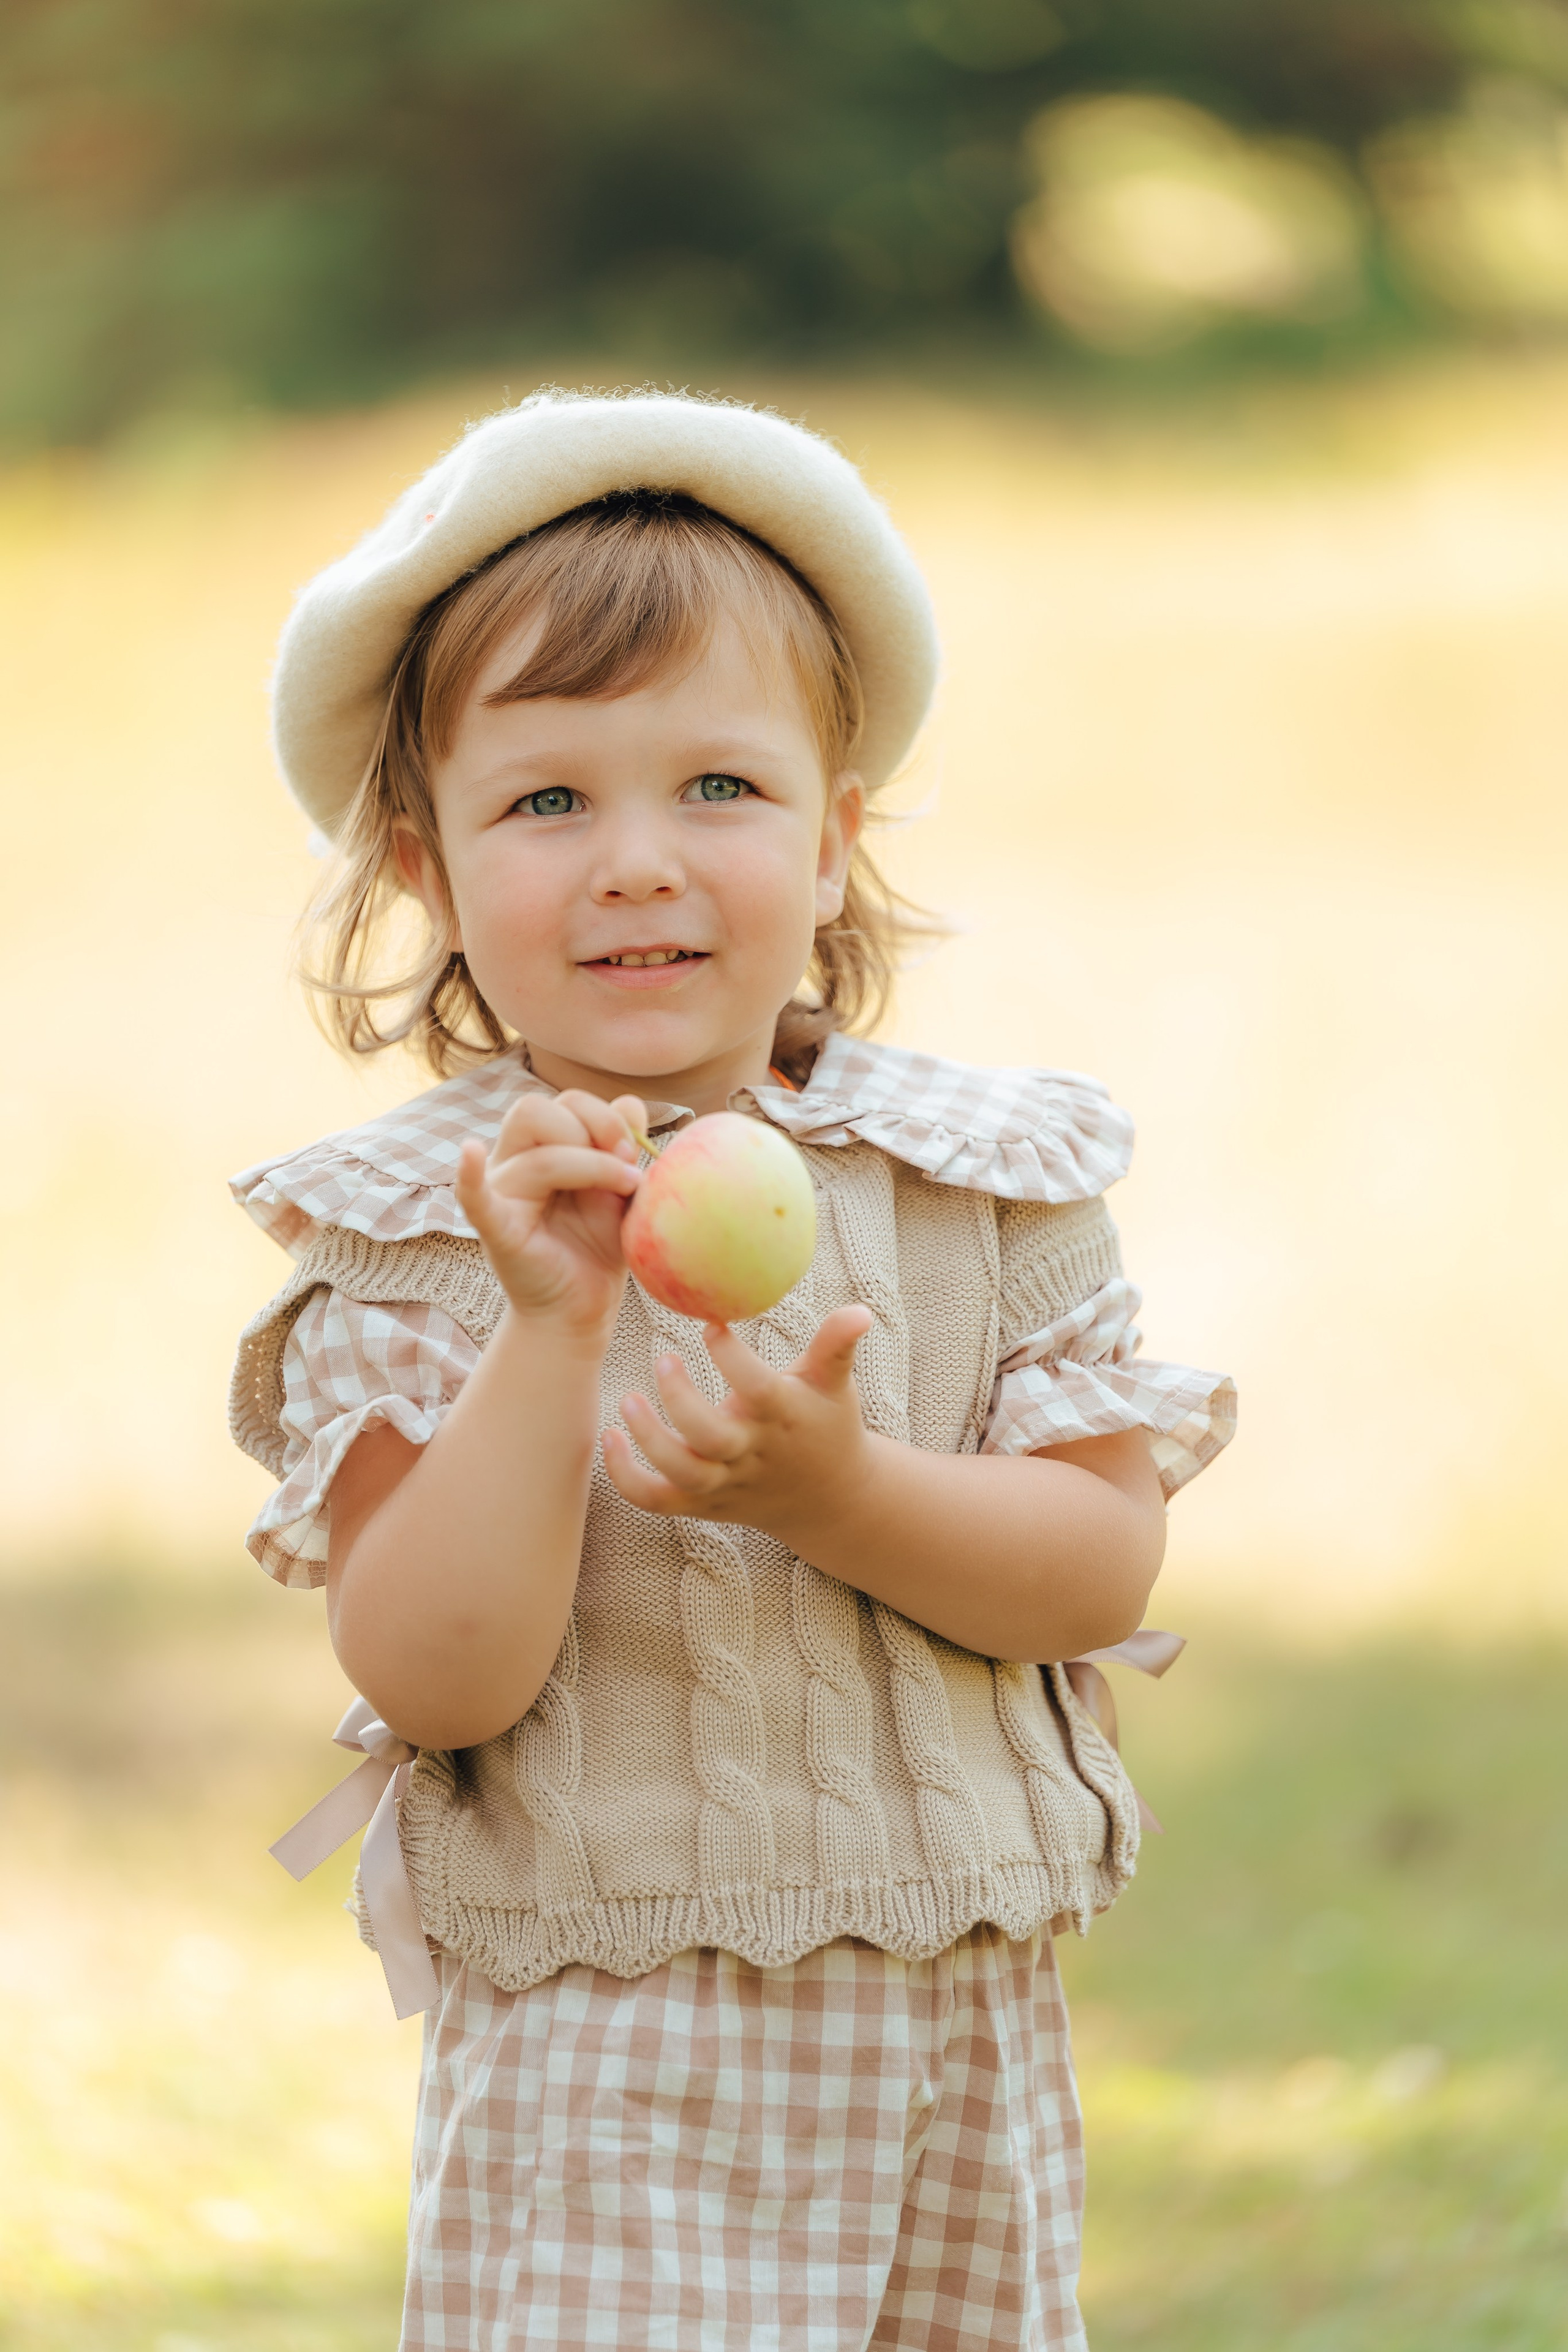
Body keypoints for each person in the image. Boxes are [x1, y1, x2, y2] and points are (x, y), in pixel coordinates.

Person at [229, 390, 1235, 2351]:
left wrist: (840, 1492)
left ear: (837, 837)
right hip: (611, 2051)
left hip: (955, 2031)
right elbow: (432, 1675)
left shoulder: (981, 1184)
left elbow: (1098, 1574)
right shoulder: (419, 1233)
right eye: (547, 802)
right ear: (424, 870)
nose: (636, 864)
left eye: (719, 789)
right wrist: (548, 1333)